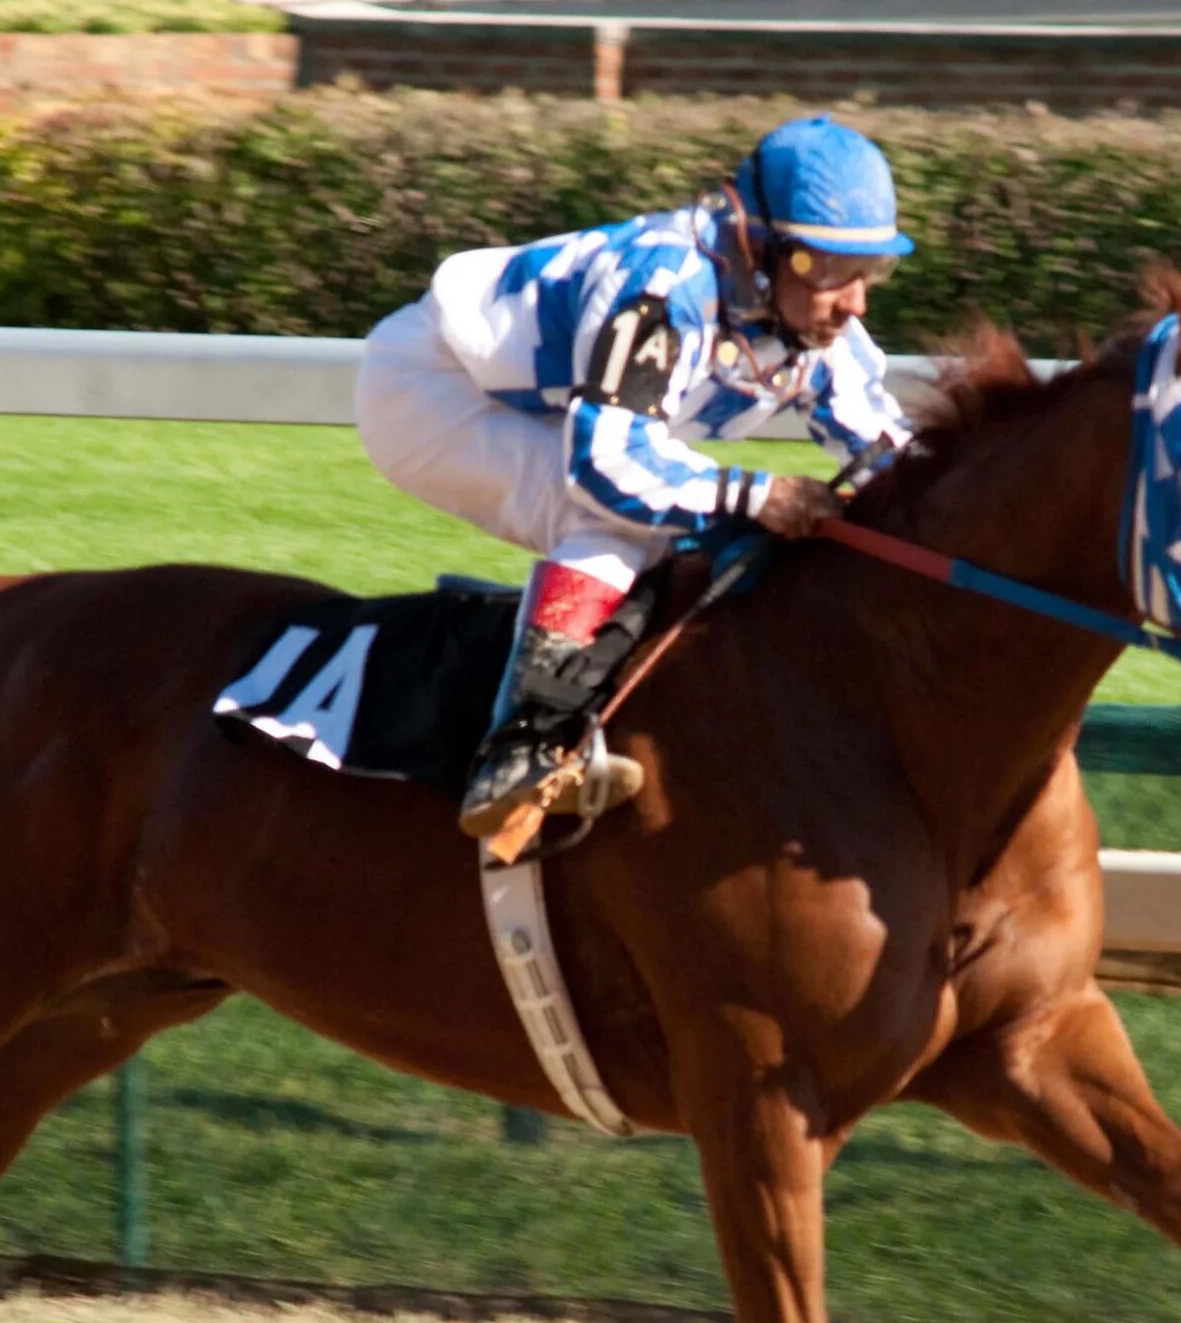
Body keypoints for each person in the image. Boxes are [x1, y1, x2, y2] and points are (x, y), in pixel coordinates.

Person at [355, 114, 918, 839]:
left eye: (872, 271)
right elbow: (606, 467)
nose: (856, 302)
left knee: (678, 524)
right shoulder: (663, 287)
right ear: (761, 248)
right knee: (615, 519)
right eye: (831, 270)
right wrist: (758, 493)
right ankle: (521, 750)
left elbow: (891, 453)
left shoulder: (806, 309)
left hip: (548, 406)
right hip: (433, 391)